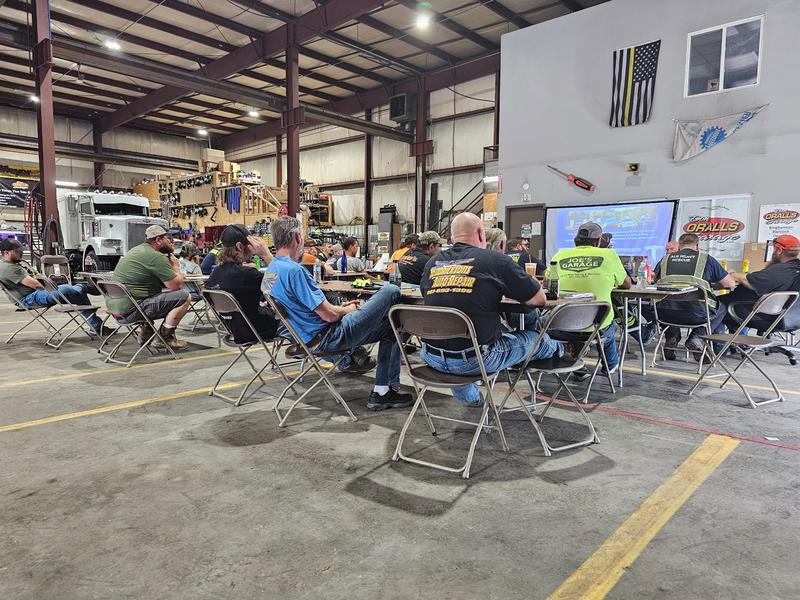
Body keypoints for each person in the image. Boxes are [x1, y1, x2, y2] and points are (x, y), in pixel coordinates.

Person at [265, 216, 412, 411]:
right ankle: (379, 384)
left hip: (303, 338)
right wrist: (351, 309)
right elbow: (330, 316)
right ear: (298, 238)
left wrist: (343, 309)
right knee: (390, 291)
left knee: (390, 328)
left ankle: (382, 392)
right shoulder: (296, 271)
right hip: (329, 336)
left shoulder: (271, 270)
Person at [420, 213, 562, 405]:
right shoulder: (495, 261)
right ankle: (563, 351)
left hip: (431, 355)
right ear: (481, 234)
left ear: (453, 238)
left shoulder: (431, 264)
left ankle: (474, 400)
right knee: (539, 338)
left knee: (457, 340)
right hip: (476, 360)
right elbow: (539, 299)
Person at [550, 221, 631, 372]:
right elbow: (626, 284)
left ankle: (572, 360)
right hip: (595, 328)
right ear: (599, 241)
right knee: (610, 326)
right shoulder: (608, 254)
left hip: (560, 326)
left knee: (541, 323)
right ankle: (610, 366)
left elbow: (549, 283)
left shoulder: (560, 255)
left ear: (575, 240)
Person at [646, 233, 734, 360]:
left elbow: (654, 281)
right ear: (697, 246)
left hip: (664, 314)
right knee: (722, 308)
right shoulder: (706, 259)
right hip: (696, 314)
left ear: (680, 246)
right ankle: (697, 337)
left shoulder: (665, 260)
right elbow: (729, 284)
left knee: (671, 304)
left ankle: (672, 337)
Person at [0, 238, 111, 336]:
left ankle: (97, 325)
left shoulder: (20, 263)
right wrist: (50, 285)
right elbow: (36, 284)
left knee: (77, 291)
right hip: (28, 298)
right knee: (68, 289)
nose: (21, 253)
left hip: (39, 292)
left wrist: (46, 281)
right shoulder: (8, 268)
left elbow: (39, 276)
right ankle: (95, 319)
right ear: (7, 253)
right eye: (18, 251)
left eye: (21, 250)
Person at [106, 225, 191, 349]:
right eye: (169, 239)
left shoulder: (136, 250)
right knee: (184, 296)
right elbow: (176, 285)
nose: (173, 242)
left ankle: (147, 332)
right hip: (132, 311)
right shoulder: (155, 257)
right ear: (158, 240)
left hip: (116, 310)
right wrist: (176, 267)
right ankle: (165, 338)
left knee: (153, 295)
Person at [712, 234, 800, 336]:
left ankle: (719, 347)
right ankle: (738, 344)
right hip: (791, 317)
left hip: (766, 317)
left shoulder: (780, 271)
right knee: (732, 304)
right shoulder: (794, 269)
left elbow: (746, 280)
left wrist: (733, 275)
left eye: (774, 248)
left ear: (779, 250)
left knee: (715, 306)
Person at [206, 224, 279, 343]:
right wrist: (266, 254)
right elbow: (283, 283)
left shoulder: (215, 273)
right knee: (300, 318)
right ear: (239, 246)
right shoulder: (248, 274)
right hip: (256, 330)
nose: (253, 252)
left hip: (231, 329)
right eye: (251, 247)